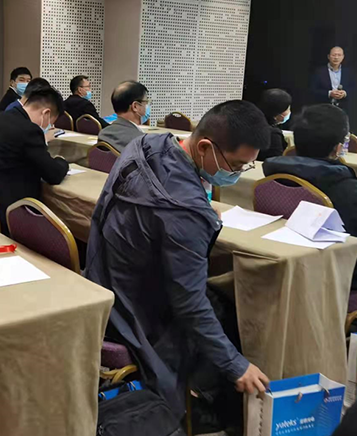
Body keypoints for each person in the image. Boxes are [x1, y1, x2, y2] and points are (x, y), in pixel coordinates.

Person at [85, 100, 271, 429]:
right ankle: (203, 411)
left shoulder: (145, 144)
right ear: (204, 147)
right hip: (135, 311)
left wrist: (199, 206)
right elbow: (189, 304)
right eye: (236, 165)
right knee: (228, 311)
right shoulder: (185, 212)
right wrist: (237, 366)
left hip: (102, 277)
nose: (237, 174)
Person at [263, 104, 357, 290]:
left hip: (299, 261)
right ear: (338, 148)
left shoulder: (275, 175)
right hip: (348, 269)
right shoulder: (344, 187)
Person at [0, 87, 69, 230]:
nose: (50, 126)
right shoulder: (30, 130)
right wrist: (62, 161)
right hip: (10, 212)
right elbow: (53, 174)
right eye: (51, 122)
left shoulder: (0, 118)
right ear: (46, 113)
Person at [98, 80, 149, 152]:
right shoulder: (142, 141)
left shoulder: (103, 134)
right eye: (146, 102)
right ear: (135, 106)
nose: (147, 105)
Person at [309, 46, 355, 113]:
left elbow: (354, 88)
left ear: (343, 57)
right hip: (323, 108)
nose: (336, 57)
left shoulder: (348, 72)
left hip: (343, 109)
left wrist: (345, 93)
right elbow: (312, 90)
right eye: (334, 55)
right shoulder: (319, 72)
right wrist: (329, 93)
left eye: (339, 55)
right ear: (328, 56)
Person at [257, 88, 292, 161]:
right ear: (277, 113)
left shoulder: (250, 122)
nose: (289, 111)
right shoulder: (273, 134)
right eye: (287, 108)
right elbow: (276, 162)